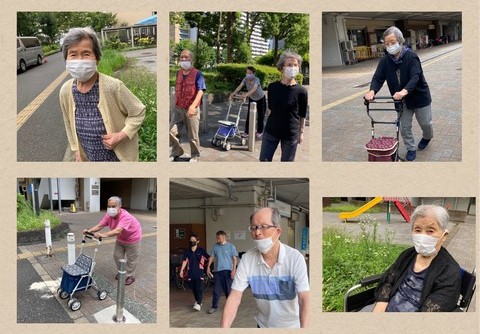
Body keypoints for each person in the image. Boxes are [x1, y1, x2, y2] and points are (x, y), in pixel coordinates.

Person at [59, 27, 146, 162]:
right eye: (73, 54)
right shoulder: (65, 91)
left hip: (117, 160)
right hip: (89, 158)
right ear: (66, 59)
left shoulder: (113, 86)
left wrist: (121, 135)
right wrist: (76, 150)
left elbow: (138, 111)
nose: (80, 60)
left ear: (97, 59)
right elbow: (68, 123)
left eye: (86, 54)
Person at [221, 207, 310, 328]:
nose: (257, 232)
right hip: (263, 326)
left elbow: (304, 299)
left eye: (263, 226)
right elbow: (234, 297)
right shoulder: (247, 259)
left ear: (278, 231)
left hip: (292, 326)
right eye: (253, 227)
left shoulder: (295, 258)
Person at [370, 205, 461, 312]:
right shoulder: (407, 255)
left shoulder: (449, 271)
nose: (422, 236)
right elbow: (390, 277)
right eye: (417, 230)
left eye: (430, 231)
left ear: (444, 235)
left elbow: (435, 308)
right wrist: (381, 302)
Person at [364, 26, 434, 162]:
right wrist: (372, 91)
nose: (390, 46)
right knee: (404, 126)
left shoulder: (411, 56)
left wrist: (404, 91)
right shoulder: (385, 61)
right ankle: (411, 148)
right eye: (387, 43)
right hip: (401, 101)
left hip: (419, 97)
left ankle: (427, 136)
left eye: (392, 42)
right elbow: (378, 78)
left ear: (400, 41)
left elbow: (416, 76)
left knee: (426, 123)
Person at [259, 50, 308, 162]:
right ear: (282, 68)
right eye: (289, 65)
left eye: (295, 65)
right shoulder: (272, 87)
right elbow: (270, 109)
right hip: (271, 131)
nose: (293, 67)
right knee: (264, 160)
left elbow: (302, 114)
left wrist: (301, 133)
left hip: (291, 134)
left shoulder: (302, 91)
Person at [83, 196, 142, 286]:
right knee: (117, 256)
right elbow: (100, 225)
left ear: (119, 207)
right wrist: (89, 231)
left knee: (131, 259)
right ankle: (122, 271)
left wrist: (102, 235)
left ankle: (130, 276)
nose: (111, 209)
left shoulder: (126, 216)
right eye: (109, 206)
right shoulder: (109, 215)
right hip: (121, 238)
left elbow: (117, 231)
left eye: (113, 206)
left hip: (133, 238)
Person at [170, 49, 206, 162]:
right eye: (181, 57)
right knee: (171, 132)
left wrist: (193, 106)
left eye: (186, 57)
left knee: (193, 136)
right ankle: (177, 151)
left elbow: (201, 91)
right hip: (178, 109)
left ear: (192, 60)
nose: (183, 59)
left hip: (191, 110)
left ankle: (195, 155)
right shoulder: (178, 73)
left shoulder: (198, 74)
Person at [206, 230, 238, 314]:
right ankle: (214, 307)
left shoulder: (231, 246)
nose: (217, 240)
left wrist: (234, 270)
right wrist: (208, 267)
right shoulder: (215, 246)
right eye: (216, 238)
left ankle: (230, 307)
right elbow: (212, 257)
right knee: (216, 290)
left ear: (224, 237)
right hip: (218, 271)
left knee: (228, 291)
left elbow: (235, 259)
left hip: (228, 271)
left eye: (219, 238)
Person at [229, 66, 266, 138]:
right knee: (249, 115)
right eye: (247, 73)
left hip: (261, 98)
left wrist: (245, 95)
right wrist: (233, 93)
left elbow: (254, 89)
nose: (248, 74)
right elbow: (240, 86)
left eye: (250, 73)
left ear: (253, 73)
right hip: (252, 98)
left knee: (261, 115)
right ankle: (246, 132)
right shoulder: (245, 79)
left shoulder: (256, 80)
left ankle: (259, 131)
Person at [180, 234, 210, 311]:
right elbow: (185, 261)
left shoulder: (201, 250)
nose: (192, 241)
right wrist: (181, 270)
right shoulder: (187, 251)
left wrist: (208, 267)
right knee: (193, 287)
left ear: (197, 241)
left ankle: (199, 303)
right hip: (191, 272)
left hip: (199, 272)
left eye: (193, 240)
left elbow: (208, 258)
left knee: (198, 287)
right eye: (191, 240)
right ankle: (198, 300)